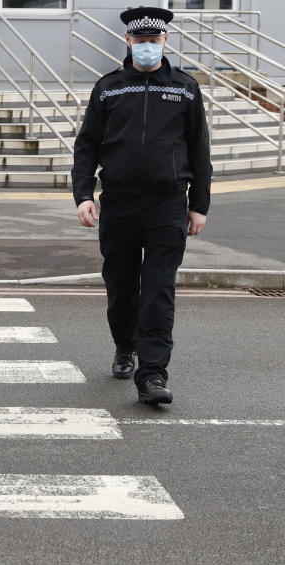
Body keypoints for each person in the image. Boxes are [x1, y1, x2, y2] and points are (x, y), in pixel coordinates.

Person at [72, 6, 212, 405]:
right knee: (120, 284)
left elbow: (200, 149)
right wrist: (83, 195)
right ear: (128, 41)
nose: (148, 46)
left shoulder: (184, 87)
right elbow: (87, 147)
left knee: (159, 289)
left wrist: (198, 204)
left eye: (155, 40)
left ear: (165, 41)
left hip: (168, 203)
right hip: (118, 204)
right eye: (141, 40)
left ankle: (153, 375)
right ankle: (124, 346)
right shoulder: (109, 87)